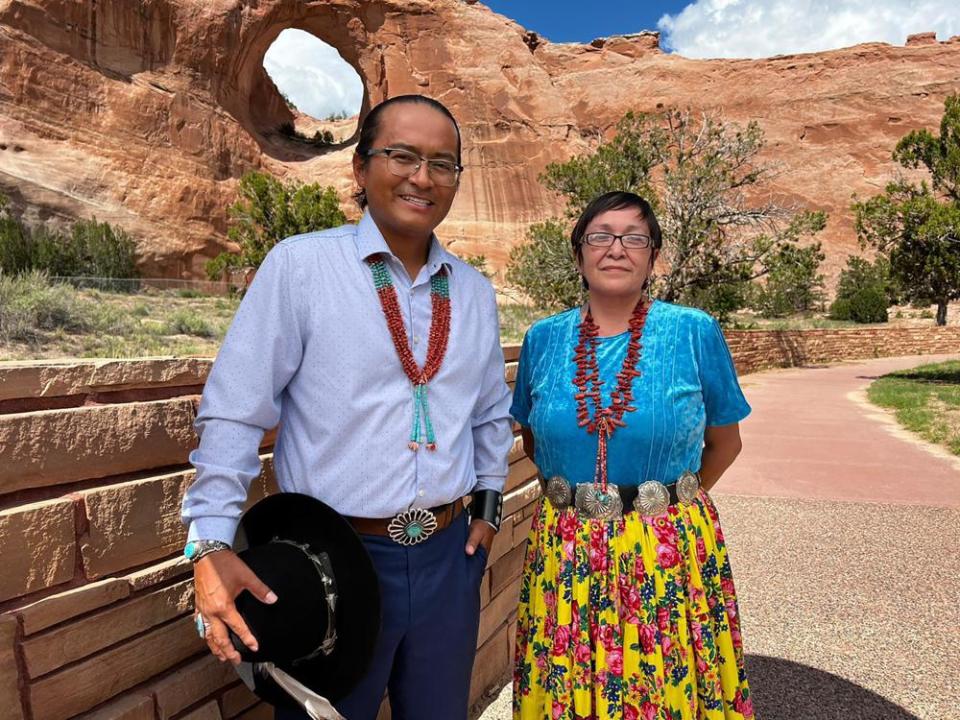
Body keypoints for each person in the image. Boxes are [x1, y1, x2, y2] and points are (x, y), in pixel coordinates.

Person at [181, 94, 514, 720]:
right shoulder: (302, 267)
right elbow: (235, 410)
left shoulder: (472, 292)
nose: (423, 177)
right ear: (360, 168)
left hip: (448, 560)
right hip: (335, 564)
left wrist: (489, 508)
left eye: (443, 164)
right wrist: (210, 544)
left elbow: (490, 411)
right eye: (402, 156)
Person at [510, 191, 755, 720]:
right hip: (566, 550)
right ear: (579, 255)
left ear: (653, 257)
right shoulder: (543, 339)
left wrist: (666, 506)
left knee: (664, 689)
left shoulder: (693, 332)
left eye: (634, 237)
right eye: (600, 236)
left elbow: (725, 443)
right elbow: (535, 439)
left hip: (665, 549)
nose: (616, 248)